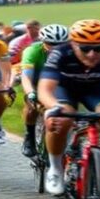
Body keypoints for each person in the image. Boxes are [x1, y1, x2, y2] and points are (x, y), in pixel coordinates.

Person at [38, 19, 100, 198]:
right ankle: (55, 168)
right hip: (65, 89)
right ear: (73, 44)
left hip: (98, 89)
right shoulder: (61, 53)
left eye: (99, 49)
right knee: (61, 120)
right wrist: (53, 107)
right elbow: (45, 88)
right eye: (84, 48)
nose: (92, 54)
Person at [19, 23, 69, 158]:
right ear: (43, 42)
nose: (56, 47)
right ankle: (29, 135)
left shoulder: (71, 52)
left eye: (61, 44)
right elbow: (26, 77)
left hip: (58, 83)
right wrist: (30, 93)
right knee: (32, 106)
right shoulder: (32, 51)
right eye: (51, 43)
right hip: (36, 81)